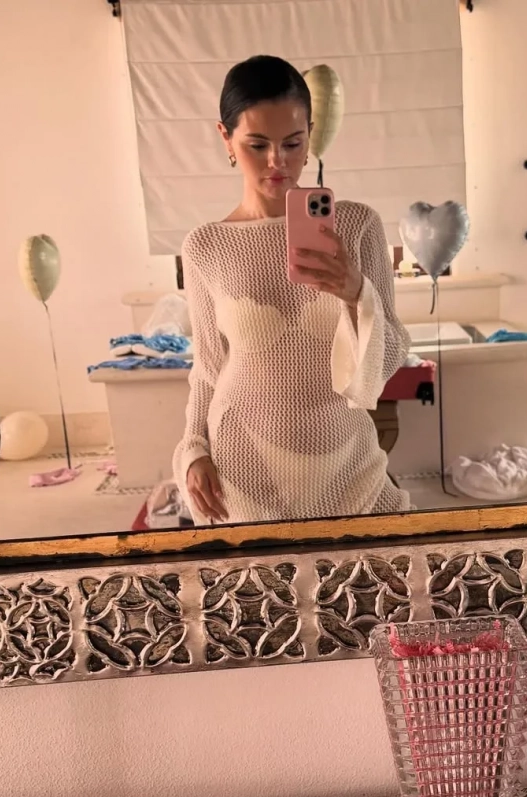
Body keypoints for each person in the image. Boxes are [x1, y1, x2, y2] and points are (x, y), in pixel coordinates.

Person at [172, 55, 411, 525]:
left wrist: (356, 294)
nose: (277, 161)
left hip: (349, 466)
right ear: (226, 138)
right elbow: (209, 368)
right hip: (242, 470)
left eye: (292, 142)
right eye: (257, 144)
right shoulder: (205, 246)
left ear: (311, 135)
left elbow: (388, 356)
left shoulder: (358, 226)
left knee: (386, 567)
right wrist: (194, 448)